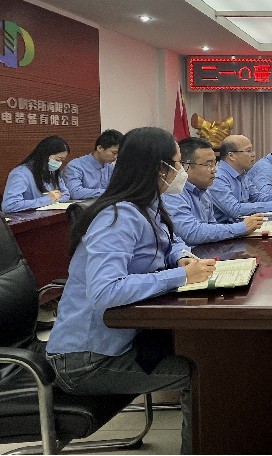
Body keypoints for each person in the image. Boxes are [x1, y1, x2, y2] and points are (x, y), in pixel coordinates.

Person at [45, 127, 218, 455]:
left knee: (207, 351)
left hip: (122, 341)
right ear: (158, 168)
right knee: (200, 374)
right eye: (178, 164)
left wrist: (180, 257)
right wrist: (179, 276)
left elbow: (169, 240)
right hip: (85, 360)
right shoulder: (117, 217)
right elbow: (105, 291)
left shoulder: (146, 205)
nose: (181, 172)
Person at [163, 137, 265, 246]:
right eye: (208, 164)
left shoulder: (204, 191)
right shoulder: (173, 192)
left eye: (214, 163)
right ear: (185, 166)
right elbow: (191, 233)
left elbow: (212, 227)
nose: (215, 170)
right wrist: (242, 227)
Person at [207, 134, 272, 224]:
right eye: (248, 151)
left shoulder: (241, 174)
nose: (253, 154)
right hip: (228, 228)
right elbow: (234, 209)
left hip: (244, 224)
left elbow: (256, 196)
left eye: (252, 150)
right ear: (231, 156)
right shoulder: (218, 177)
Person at [2, 135, 71, 212]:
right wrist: (47, 200)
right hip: (27, 218)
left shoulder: (52, 171)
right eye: (58, 159)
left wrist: (54, 198)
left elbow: (65, 194)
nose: (59, 163)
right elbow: (10, 205)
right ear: (45, 155)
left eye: (62, 160)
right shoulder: (21, 174)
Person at [63, 128, 123, 199]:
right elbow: (75, 192)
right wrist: (108, 193)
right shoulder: (75, 166)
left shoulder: (110, 166)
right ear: (100, 148)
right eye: (114, 153)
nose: (116, 157)